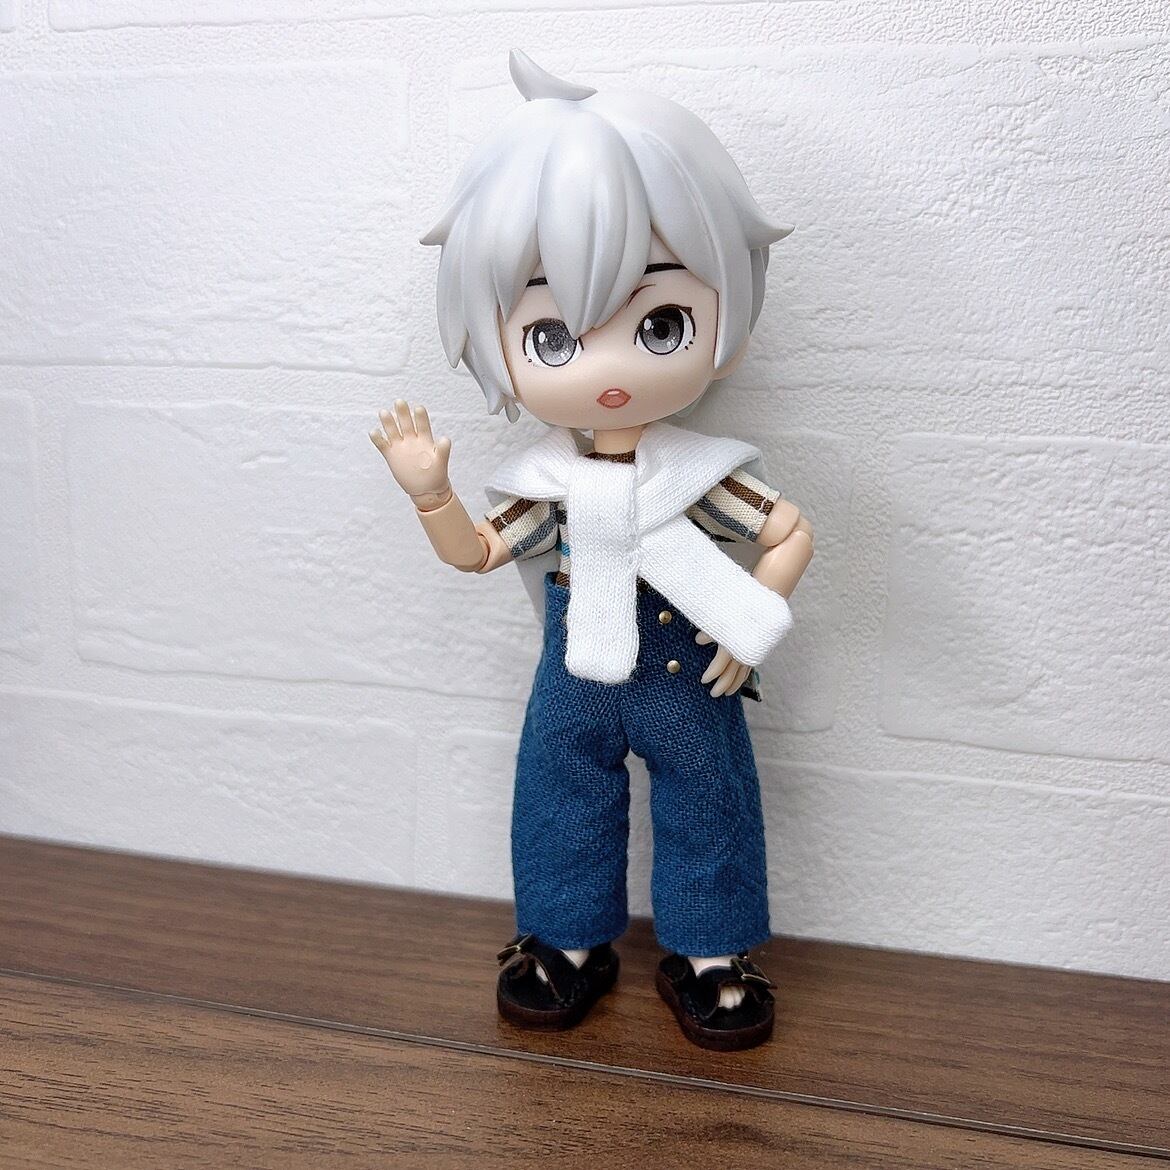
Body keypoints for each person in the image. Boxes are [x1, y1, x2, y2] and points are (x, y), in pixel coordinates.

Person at [370, 51, 813, 1051]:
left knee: (711, 804)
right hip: (574, 675)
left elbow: (788, 532)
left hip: (688, 669)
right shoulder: (548, 487)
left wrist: (748, 626)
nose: (608, 370)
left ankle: (712, 953)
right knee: (558, 799)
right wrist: (432, 493)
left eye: (661, 323)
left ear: (728, 323)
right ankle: (566, 940)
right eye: (555, 339)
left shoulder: (700, 474)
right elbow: (477, 553)